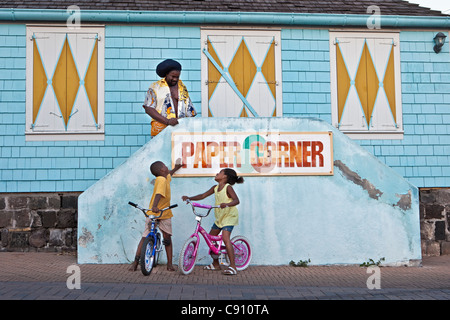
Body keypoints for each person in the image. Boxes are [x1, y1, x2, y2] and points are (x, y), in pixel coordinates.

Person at [182, 168, 244, 275]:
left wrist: (227, 204)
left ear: (225, 177)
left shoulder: (228, 188)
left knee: (225, 238)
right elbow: (202, 195)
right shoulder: (215, 188)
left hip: (229, 216)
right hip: (219, 217)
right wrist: (189, 198)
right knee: (210, 239)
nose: (217, 173)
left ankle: (233, 267)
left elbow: (236, 200)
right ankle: (215, 264)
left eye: (220, 172)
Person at [129, 159, 182, 272]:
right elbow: (159, 193)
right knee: (167, 238)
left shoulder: (163, 177)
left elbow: (169, 174)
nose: (167, 167)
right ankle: (169, 264)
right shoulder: (161, 180)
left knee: (145, 237)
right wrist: (155, 206)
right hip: (161, 212)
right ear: (162, 169)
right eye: (165, 165)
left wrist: (176, 168)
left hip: (154, 213)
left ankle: (135, 263)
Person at [143, 59, 197, 137]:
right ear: (166, 74)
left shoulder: (182, 87)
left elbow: (190, 111)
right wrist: (167, 121)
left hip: (180, 129)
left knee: (178, 149)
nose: (175, 79)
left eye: (177, 77)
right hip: (160, 128)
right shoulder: (155, 87)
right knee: (160, 149)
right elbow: (148, 108)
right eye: (173, 76)